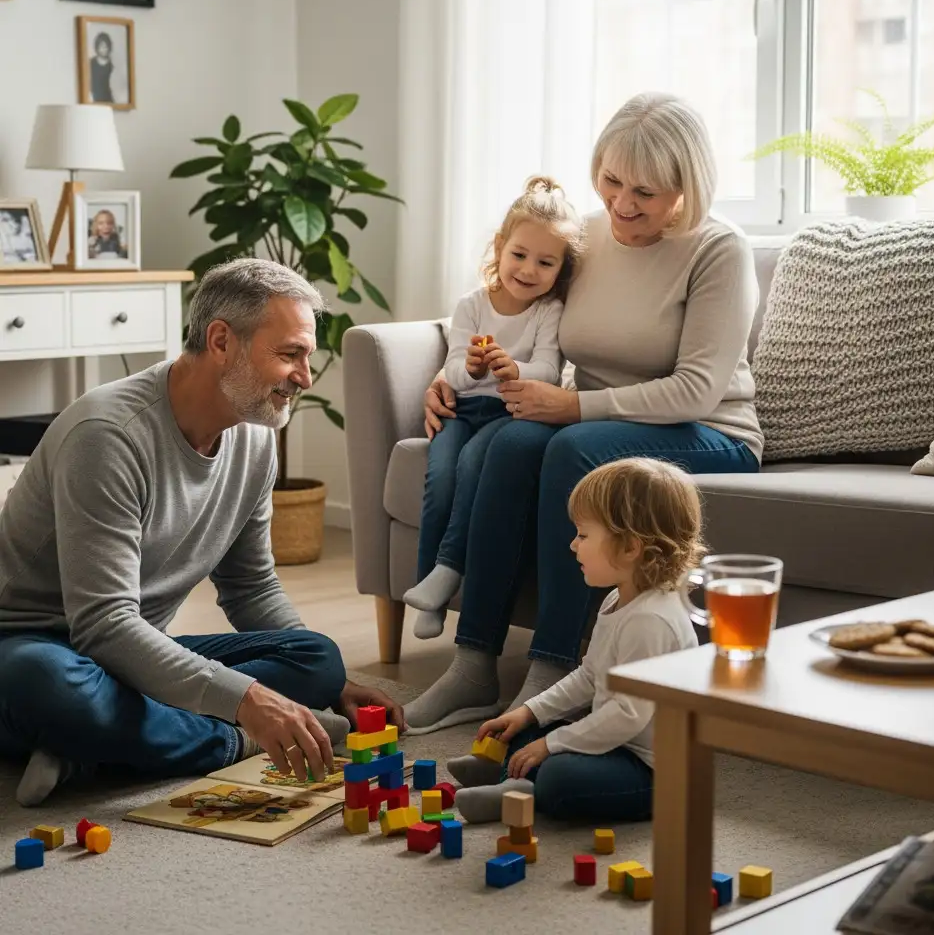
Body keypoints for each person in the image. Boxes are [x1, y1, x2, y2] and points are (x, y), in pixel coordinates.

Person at [403, 92, 762, 735]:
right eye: (611, 181)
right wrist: (449, 375)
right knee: (512, 443)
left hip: (708, 432)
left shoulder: (719, 250)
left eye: (645, 193)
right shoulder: (588, 235)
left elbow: (698, 391)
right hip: (591, 421)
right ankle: (473, 664)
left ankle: (551, 669)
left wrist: (572, 406)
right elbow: (515, 310)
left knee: (571, 448)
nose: (622, 204)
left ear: (686, 187)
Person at [0, 259, 405, 807]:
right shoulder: (108, 436)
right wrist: (250, 708)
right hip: (35, 645)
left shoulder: (254, 435)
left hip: (131, 653)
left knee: (316, 658)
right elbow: (102, 624)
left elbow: (252, 586)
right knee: (50, 685)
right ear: (221, 341)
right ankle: (226, 744)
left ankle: (97, 743)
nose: (305, 378)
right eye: (289, 354)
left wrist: (331, 688)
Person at [449, 458, 702, 822]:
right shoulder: (619, 599)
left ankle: (524, 791)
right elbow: (589, 677)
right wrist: (529, 712)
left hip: (655, 771)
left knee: (559, 776)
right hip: (614, 743)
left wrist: (551, 746)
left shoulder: (652, 620)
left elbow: (626, 716)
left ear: (631, 547)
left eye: (583, 535)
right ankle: (507, 776)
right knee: (526, 730)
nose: (572, 545)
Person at [402, 175, 582, 643]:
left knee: (469, 467)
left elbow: (548, 369)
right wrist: (475, 369)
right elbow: (454, 372)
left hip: (508, 415)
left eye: (545, 262)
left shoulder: (549, 311)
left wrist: (511, 369)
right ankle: (429, 588)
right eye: (519, 255)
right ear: (500, 247)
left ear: (560, 269)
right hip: (463, 410)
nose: (528, 270)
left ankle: (447, 569)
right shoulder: (472, 306)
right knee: (439, 481)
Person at [89, 32, 115, 105]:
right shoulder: (91, 63)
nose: (104, 49)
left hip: (107, 99)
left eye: (106, 47)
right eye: (101, 47)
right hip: (94, 99)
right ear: (97, 47)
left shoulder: (111, 65)